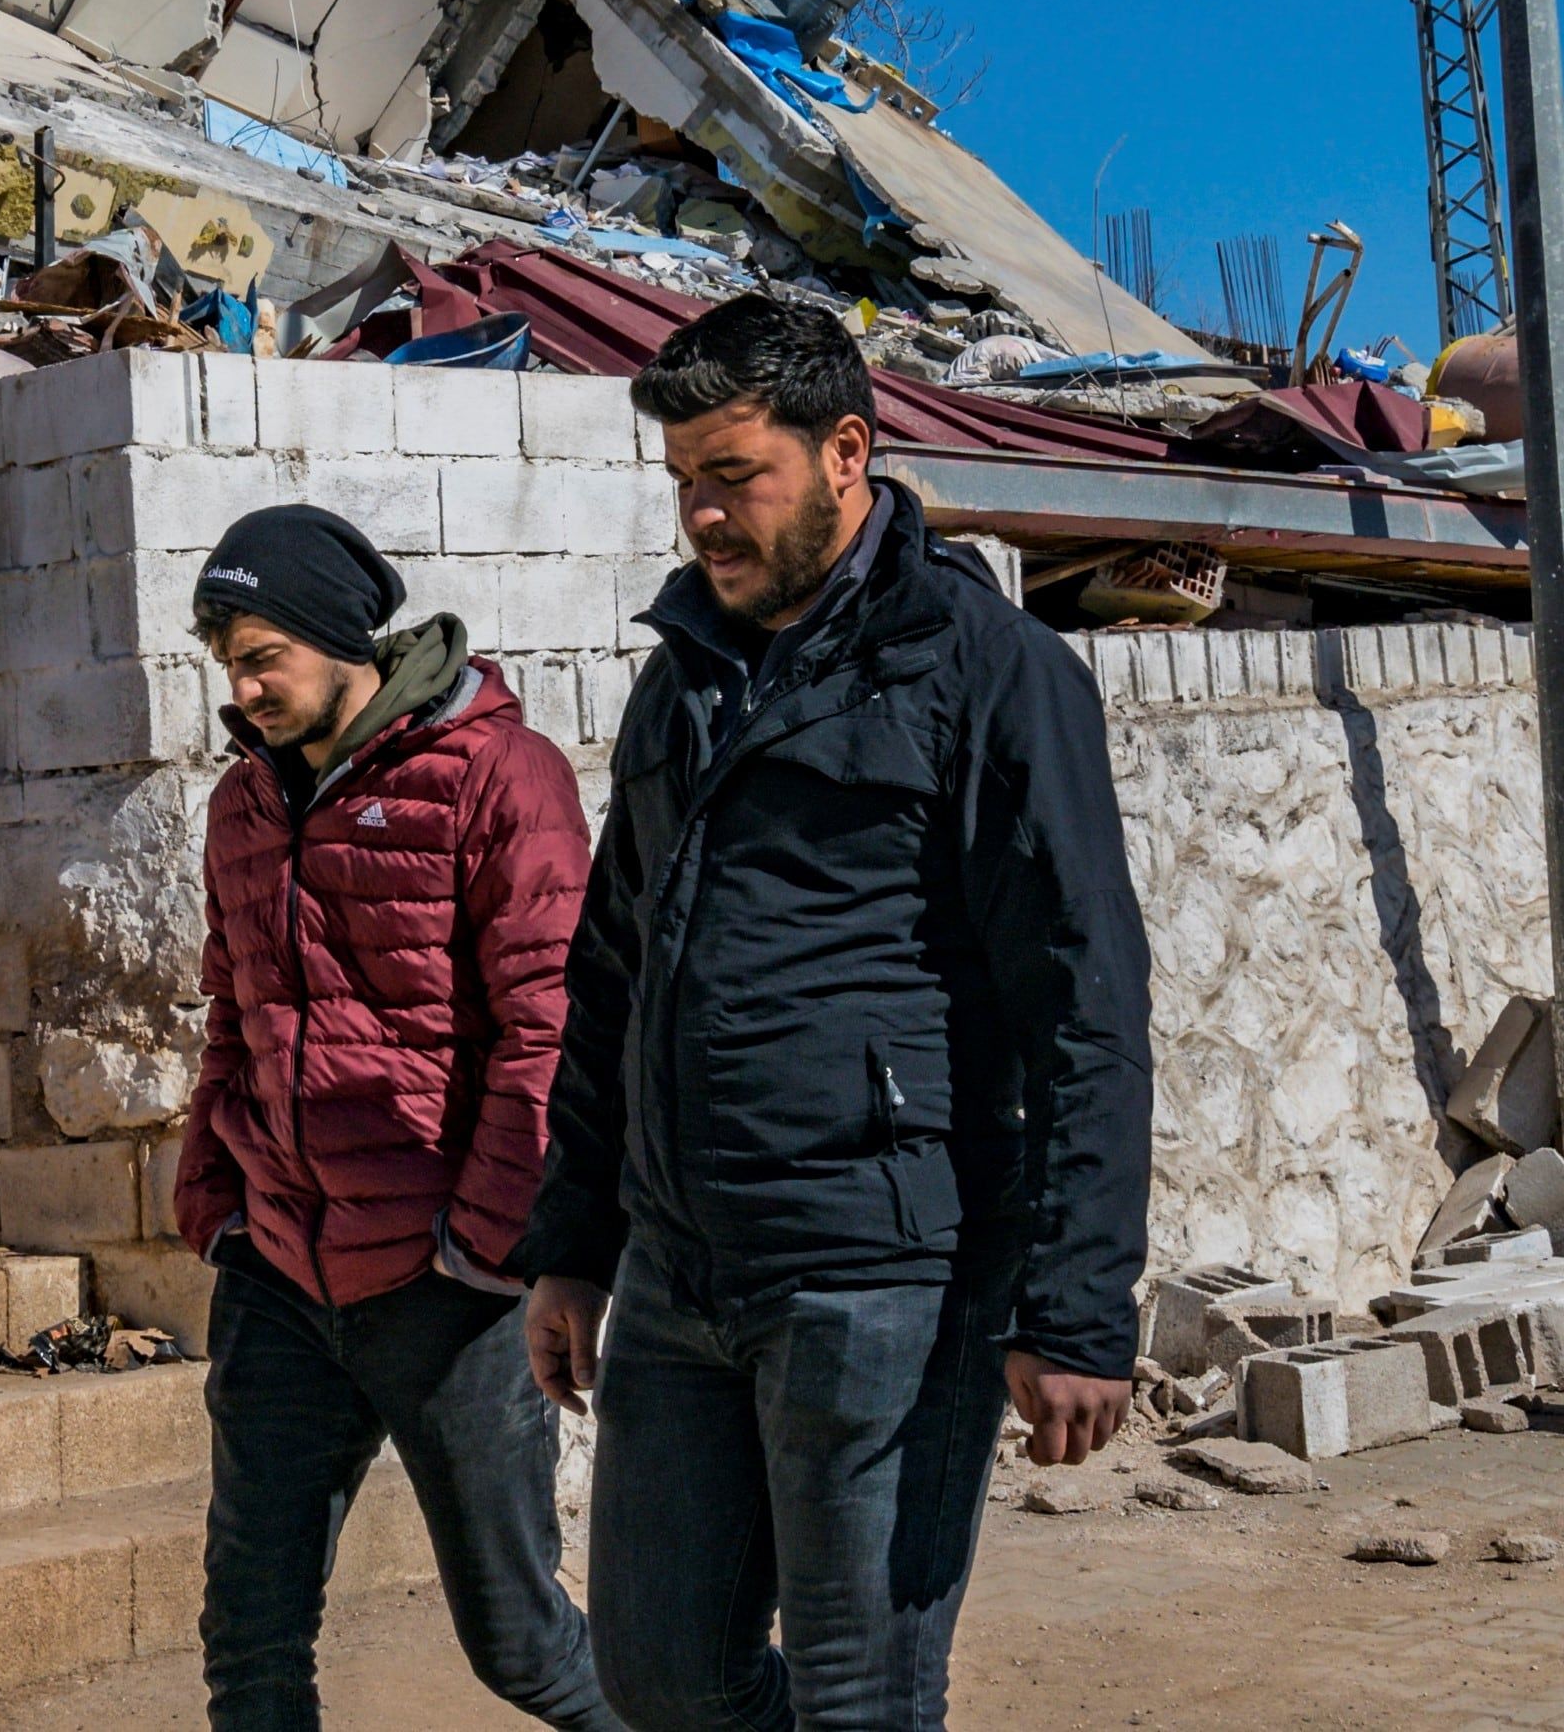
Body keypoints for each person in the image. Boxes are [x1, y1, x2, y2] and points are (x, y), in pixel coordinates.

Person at [517, 296, 1152, 1732]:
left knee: (864, 1697)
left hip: (886, 1279)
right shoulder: (683, 683)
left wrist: (1078, 1311)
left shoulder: (994, 677)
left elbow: (1088, 1008)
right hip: (683, 1273)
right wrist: (572, 1244)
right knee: (660, 1676)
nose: (703, 516)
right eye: (684, 481)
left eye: (734, 476)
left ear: (848, 451)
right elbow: (617, 969)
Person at [169, 502, 622, 1732]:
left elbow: (553, 1027)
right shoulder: (243, 810)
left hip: (445, 1292)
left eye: (265, 656)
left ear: (339, 638)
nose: (246, 688)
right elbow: (233, 1008)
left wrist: (484, 1243)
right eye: (229, 665)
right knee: (248, 1638)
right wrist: (211, 1192)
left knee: (523, 1651)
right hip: (278, 1273)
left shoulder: (494, 775)